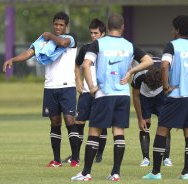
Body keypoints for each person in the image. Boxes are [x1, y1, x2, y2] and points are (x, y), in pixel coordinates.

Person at [71, 13, 153, 181]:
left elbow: (85, 65)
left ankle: (86, 173)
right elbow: (149, 61)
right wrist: (131, 71)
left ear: (107, 27)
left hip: (104, 94)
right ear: (122, 27)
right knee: (118, 132)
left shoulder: (98, 44)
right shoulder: (130, 45)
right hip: (123, 95)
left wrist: (92, 87)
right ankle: (115, 173)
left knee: (94, 132)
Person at [142, 14, 188, 180]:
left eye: (173, 28)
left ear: (177, 30)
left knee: (162, 130)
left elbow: (164, 66)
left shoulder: (172, 45)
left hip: (177, 95)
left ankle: (155, 172)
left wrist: (166, 86)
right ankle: (186, 173)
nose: (172, 31)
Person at [3, 11, 80, 167]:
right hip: (50, 87)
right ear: (53, 24)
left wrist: (49, 35)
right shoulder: (43, 41)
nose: (58, 27)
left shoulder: (70, 38)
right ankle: (57, 160)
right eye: (56, 24)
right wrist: (13, 60)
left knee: (70, 120)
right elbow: (29, 52)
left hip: (67, 87)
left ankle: (75, 160)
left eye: (61, 25)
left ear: (66, 26)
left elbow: (63, 44)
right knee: (55, 123)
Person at [63, 18, 108, 164]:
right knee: (79, 123)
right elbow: (77, 66)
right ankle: (75, 155)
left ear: (103, 33)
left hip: (102, 93)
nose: (93, 35)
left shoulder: (108, 49)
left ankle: (99, 155)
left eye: (96, 33)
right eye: (91, 33)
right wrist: (78, 80)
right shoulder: (86, 48)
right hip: (86, 93)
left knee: (100, 124)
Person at [131, 55, 173, 167]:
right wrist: (140, 119)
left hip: (161, 95)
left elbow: (173, 87)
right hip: (144, 97)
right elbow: (135, 96)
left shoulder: (168, 72)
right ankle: (145, 158)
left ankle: (166, 157)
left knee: (165, 124)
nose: (153, 88)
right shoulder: (139, 74)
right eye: (151, 86)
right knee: (145, 124)